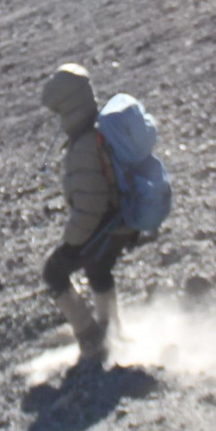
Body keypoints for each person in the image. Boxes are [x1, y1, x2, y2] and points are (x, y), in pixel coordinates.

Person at [40, 62, 137, 367]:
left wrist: (70, 244)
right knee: (98, 267)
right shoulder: (98, 131)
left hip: (107, 223)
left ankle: (91, 339)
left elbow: (89, 208)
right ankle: (112, 332)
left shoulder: (84, 145)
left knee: (54, 272)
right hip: (122, 219)